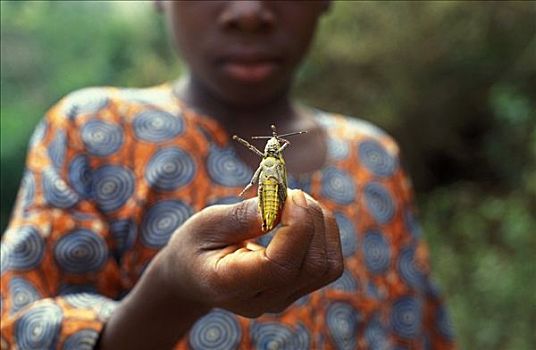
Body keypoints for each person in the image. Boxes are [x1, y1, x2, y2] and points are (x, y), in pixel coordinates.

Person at [0, 2, 455, 349]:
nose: (248, 12)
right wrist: (173, 287)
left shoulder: (375, 158)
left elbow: (413, 328)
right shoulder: (90, 129)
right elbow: (20, 327)